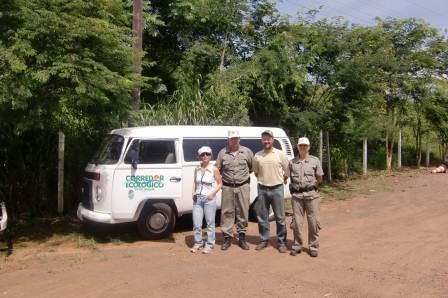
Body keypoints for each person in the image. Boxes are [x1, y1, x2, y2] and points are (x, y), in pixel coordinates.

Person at [216, 130, 254, 250]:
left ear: (239, 139)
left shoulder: (247, 152)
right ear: (228, 139)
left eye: (236, 138)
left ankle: (242, 237)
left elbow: (251, 168)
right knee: (227, 212)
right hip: (227, 187)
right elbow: (218, 169)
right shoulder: (222, 153)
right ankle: (227, 238)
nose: (234, 140)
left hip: (243, 186)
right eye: (232, 138)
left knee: (243, 211)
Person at [252, 130, 289, 253]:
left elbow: (287, 171)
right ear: (261, 140)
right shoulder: (257, 156)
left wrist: (281, 179)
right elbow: (256, 172)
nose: (266, 141)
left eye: (268, 139)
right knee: (262, 217)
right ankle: (263, 240)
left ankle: (282, 242)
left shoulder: (280, 154)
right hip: (262, 188)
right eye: (264, 139)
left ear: (272, 140)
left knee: (280, 217)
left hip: (277, 188)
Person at [289, 137, 324, 257]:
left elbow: (319, 177)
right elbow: (287, 176)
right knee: (297, 223)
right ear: (298, 147)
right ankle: (297, 245)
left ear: (309, 147)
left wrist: (311, 187)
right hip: (297, 196)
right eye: (300, 146)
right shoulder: (292, 162)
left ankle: (313, 246)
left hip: (312, 196)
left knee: (313, 222)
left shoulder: (315, 161)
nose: (302, 147)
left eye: (305, 145)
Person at [190, 146, 223, 254]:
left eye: (207, 154)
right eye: (202, 154)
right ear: (199, 156)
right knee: (197, 223)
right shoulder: (197, 168)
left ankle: (209, 244)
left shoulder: (214, 169)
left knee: (210, 223)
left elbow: (220, 184)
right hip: (198, 199)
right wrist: (193, 192)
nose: (205, 156)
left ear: (211, 156)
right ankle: (198, 243)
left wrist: (212, 193)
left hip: (209, 199)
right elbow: (195, 182)